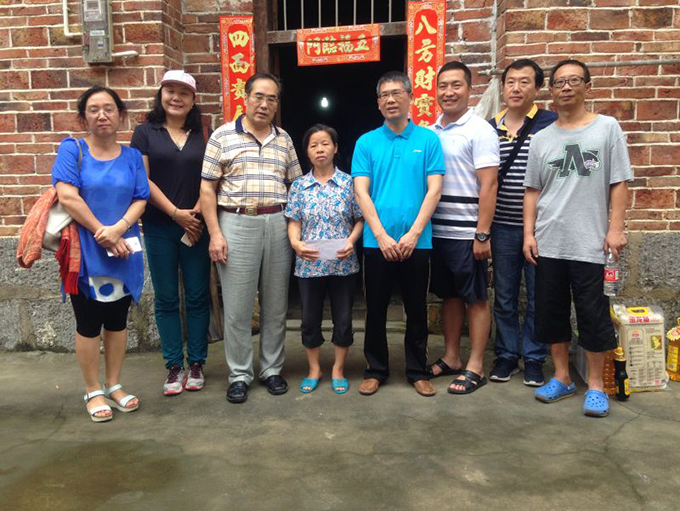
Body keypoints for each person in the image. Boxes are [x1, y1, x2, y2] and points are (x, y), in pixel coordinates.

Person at [523, 59, 632, 417]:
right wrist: (528, 233)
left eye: (573, 80)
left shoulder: (607, 128)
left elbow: (619, 182)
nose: (566, 87)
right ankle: (562, 377)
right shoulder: (541, 138)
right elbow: (532, 191)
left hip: (591, 242)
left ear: (587, 86)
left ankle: (596, 385)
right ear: (551, 91)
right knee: (551, 312)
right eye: (559, 82)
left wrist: (615, 229)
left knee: (592, 314)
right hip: (549, 240)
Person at [200, 73, 302, 404]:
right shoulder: (222, 136)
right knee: (237, 307)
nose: (264, 104)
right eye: (259, 96)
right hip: (236, 222)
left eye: (272, 99)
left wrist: (296, 230)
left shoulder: (284, 139)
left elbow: (296, 185)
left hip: (277, 223)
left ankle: (271, 369)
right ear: (245, 98)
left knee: (276, 304)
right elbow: (207, 188)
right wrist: (215, 233)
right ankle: (240, 374)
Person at [52, 86, 150, 422]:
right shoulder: (73, 149)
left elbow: (141, 197)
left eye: (109, 108)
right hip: (86, 251)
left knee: (118, 320)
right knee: (89, 321)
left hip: (124, 249)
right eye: (93, 109)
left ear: (121, 115)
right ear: (84, 118)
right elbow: (68, 196)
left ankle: (114, 384)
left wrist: (118, 229)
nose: (102, 115)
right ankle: (93, 389)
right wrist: (102, 233)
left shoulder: (132, 156)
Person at [352, 71, 445, 397]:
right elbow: (361, 192)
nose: (391, 100)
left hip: (417, 242)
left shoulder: (428, 140)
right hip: (376, 242)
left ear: (411, 97)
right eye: (384, 95)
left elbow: (434, 190)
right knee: (375, 310)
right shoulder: (366, 142)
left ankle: (417, 370)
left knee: (416, 309)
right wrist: (380, 235)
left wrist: (413, 234)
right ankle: (375, 370)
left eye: (397, 93)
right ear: (378, 103)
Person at [131, 70, 212, 396]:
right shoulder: (145, 132)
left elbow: (212, 178)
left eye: (184, 93)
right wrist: (176, 213)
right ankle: (174, 366)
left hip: (196, 226)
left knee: (197, 296)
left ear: (193, 100)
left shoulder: (204, 133)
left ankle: (197, 363)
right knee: (166, 298)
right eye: (170, 91)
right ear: (161, 95)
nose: (176, 98)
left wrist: (195, 212)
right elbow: (143, 180)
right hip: (159, 226)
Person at [428, 61, 500, 395]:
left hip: (467, 232)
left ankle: (476, 365)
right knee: (450, 296)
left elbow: (489, 185)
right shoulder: (431, 131)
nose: (449, 92)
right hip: (437, 231)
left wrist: (482, 233)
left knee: (476, 298)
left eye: (456, 85)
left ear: (469, 89)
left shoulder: (480, 130)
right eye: (443, 86)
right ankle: (452, 357)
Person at [488, 59, 557, 387]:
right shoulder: (490, 127)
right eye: (510, 82)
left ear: (538, 88)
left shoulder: (550, 124)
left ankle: (534, 357)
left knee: (538, 295)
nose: (516, 88)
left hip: (541, 227)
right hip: (501, 225)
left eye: (524, 82)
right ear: (502, 87)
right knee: (504, 295)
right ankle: (506, 354)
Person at [285, 124, 364, 394]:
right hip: (309, 265)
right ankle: (314, 369)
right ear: (307, 152)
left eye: (325, 143)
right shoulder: (299, 186)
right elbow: (294, 221)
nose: (320, 149)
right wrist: (295, 243)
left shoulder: (349, 183)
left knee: (343, 318)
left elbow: (360, 219)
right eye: (313, 145)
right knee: (309, 319)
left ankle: (338, 369)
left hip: (343, 264)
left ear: (336, 148)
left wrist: (351, 241)